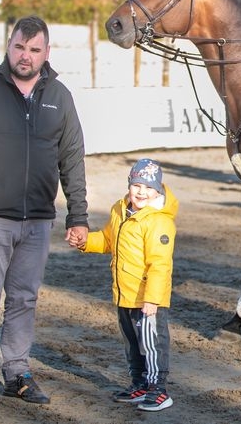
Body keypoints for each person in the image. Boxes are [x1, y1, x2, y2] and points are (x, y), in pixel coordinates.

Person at [0, 15, 89, 408]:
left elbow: (72, 157)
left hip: (38, 220)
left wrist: (78, 215)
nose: (26, 56)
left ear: (47, 52)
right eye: (19, 47)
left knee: (24, 299)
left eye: (34, 49)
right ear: (9, 46)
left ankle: (18, 372)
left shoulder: (60, 95)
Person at [67, 158, 178, 412]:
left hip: (148, 300)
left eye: (149, 188)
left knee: (151, 343)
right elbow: (108, 240)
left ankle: (159, 389)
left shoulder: (159, 221)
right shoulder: (120, 210)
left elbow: (160, 264)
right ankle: (139, 383)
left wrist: (153, 299)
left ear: (158, 190)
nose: (141, 192)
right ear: (129, 184)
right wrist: (85, 242)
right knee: (132, 342)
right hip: (124, 294)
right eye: (137, 185)